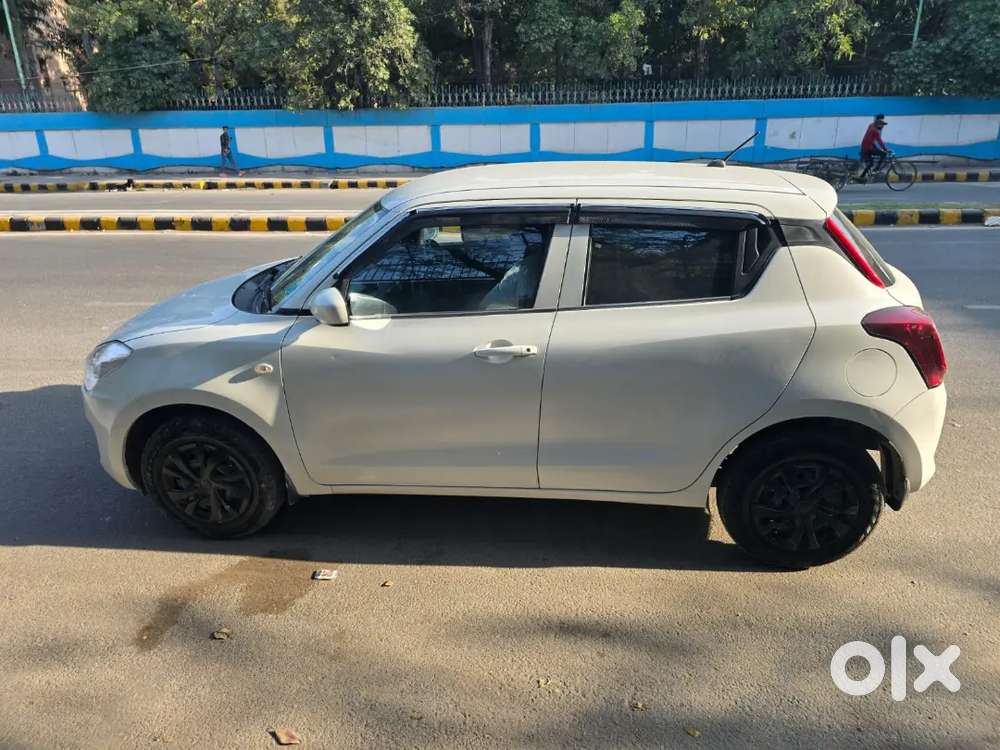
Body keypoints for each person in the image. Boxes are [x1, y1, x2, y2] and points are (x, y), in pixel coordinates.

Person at [859, 114, 889, 180]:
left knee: (871, 163)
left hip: (866, 147)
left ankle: (862, 176)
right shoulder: (876, 131)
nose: (883, 126)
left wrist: (877, 147)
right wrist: (885, 149)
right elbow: (879, 141)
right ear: (878, 124)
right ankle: (876, 169)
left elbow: (870, 139)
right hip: (868, 149)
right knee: (884, 154)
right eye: (882, 125)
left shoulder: (871, 125)